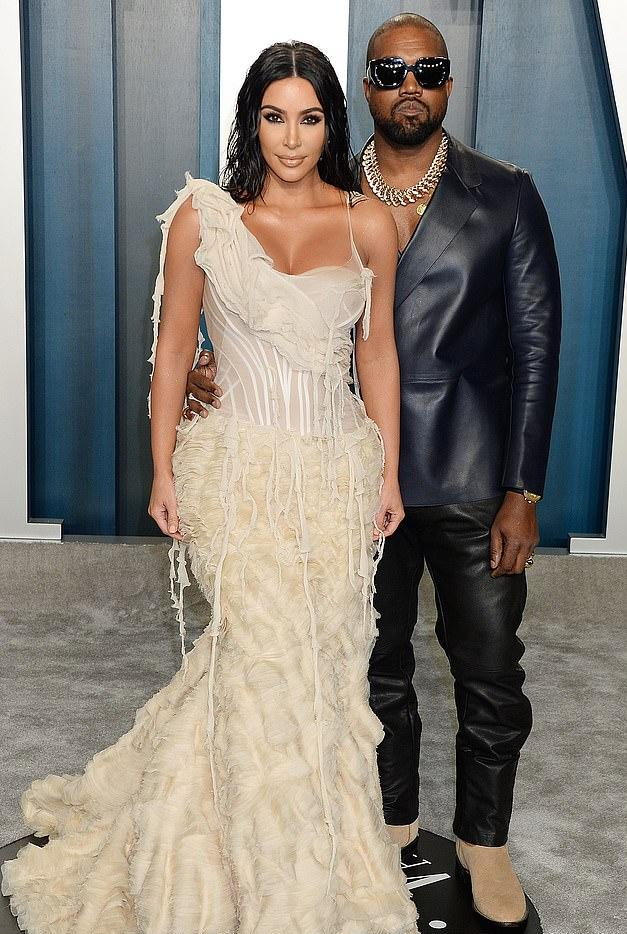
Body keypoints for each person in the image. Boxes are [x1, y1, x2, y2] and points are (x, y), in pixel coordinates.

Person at [1, 42, 419, 934]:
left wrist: (388, 469)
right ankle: (253, 886)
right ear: (249, 122)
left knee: (319, 670)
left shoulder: (368, 225)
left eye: (309, 118)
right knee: (261, 656)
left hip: (334, 474)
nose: (291, 138)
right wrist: (162, 468)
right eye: (273, 117)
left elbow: (377, 351)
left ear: (332, 124)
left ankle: (306, 859)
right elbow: (170, 353)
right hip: (236, 475)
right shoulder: (205, 217)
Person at [186, 14, 562, 931]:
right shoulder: (319, 184)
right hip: (350, 476)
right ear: (364, 86)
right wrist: (215, 368)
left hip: (471, 475)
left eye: (427, 69)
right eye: (390, 70)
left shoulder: (505, 194)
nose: (409, 85)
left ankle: (483, 843)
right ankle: (389, 823)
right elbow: (280, 316)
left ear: (447, 83)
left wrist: (523, 489)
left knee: (488, 670)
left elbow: (536, 347)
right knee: (370, 664)